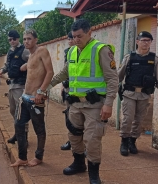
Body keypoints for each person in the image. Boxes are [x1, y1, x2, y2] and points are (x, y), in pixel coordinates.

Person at [48, 19, 118, 184]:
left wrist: (109, 103)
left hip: (94, 105)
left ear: (89, 32)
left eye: (80, 36)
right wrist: (48, 85)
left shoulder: (101, 50)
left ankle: (94, 174)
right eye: (74, 36)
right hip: (74, 103)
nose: (77, 39)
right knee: (74, 135)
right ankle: (78, 164)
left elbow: (112, 79)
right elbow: (64, 73)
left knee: (92, 139)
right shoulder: (72, 51)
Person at [118, 31, 158, 156]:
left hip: (144, 95)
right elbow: (119, 75)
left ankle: (132, 141)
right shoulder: (129, 57)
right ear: (137, 42)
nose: (145, 43)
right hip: (129, 93)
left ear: (151, 42)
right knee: (128, 118)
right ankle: (124, 141)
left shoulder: (154, 59)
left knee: (139, 120)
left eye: (148, 40)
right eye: (143, 40)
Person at [10, 29, 54, 167]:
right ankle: (22, 158)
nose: (26, 41)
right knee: (18, 125)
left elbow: (50, 72)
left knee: (39, 129)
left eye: (29, 39)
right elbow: (32, 68)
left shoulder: (42, 51)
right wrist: (24, 66)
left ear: (36, 39)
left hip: (36, 99)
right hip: (25, 98)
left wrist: (41, 92)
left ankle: (38, 157)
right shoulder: (30, 55)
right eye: (24, 39)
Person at [0, 30, 30, 144]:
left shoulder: (24, 50)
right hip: (11, 85)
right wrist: (2, 70)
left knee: (21, 112)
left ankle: (24, 137)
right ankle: (18, 134)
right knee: (13, 111)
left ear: (18, 39)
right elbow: (8, 64)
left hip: (21, 85)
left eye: (14, 39)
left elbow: (33, 60)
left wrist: (26, 65)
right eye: (10, 39)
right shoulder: (10, 51)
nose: (12, 41)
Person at [61, 31, 75, 151]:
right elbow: (65, 71)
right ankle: (71, 140)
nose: (70, 41)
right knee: (69, 115)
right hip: (67, 87)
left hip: (79, 89)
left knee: (80, 118)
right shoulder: (67, 52)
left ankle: (83, 144)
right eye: (69, 39)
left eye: (72, 38)